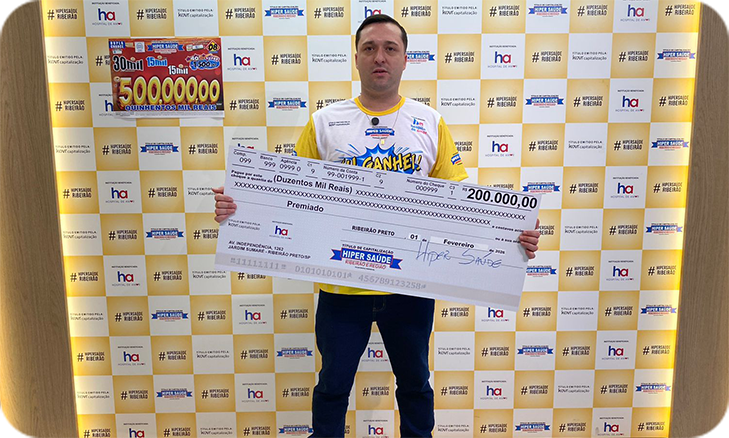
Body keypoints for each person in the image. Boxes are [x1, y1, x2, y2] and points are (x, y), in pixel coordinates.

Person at [214, 14, 541, 438]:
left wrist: (510, 233)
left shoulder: (430, 122)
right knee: (332, 386)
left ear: (405, 59)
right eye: (369, 48)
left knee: (416, 384)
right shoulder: (325, 122)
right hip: (341, 288)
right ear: (356, 58)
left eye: (390, 48)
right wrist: (241, 210)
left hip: (410, 287)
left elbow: (461, 202)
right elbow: (288, 195)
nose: (380, 57)